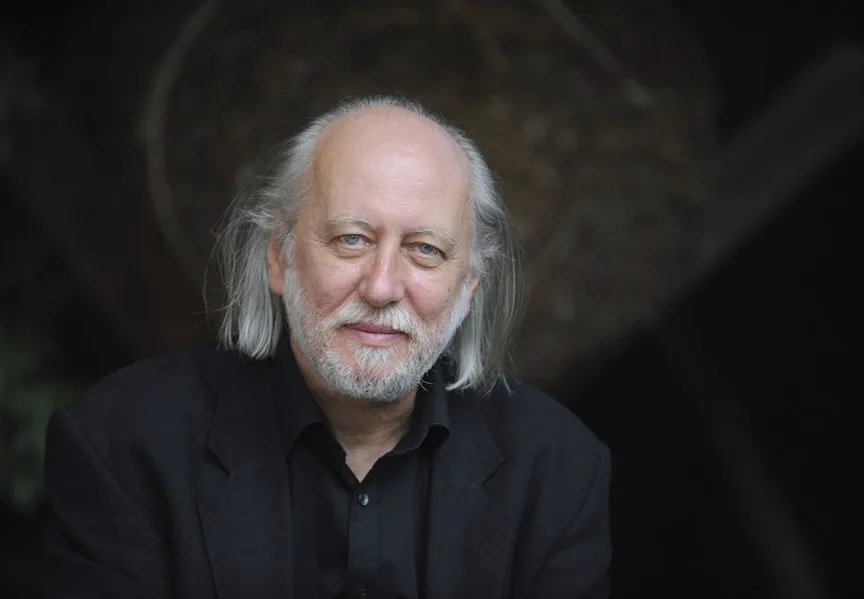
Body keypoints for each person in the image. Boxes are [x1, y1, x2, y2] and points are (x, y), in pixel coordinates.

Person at [43, 96, 612, 598]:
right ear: (279, 257)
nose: (382, 288)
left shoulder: (560, 471)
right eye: (351, 239)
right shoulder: (121, 448)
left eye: (426, 250)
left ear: (469, 289)